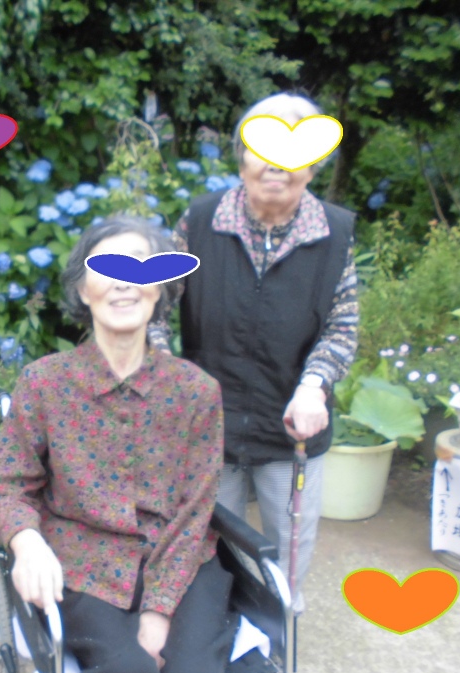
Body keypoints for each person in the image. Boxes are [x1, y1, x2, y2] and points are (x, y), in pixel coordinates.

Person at [0, 216, 237, 673]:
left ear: (161, 288)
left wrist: (159, 611)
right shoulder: (44, 383)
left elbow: (196, 511)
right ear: (83, 289)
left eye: (142, 267)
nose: (126, 282)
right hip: (83, 565)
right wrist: (26, 541)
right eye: (108, 267)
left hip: (181, 561)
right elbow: (8, 486)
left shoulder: (196, 391)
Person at [149, 92, 359, 614]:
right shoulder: (200, 221)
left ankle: (278, 626)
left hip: (291, 425)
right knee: (212, 544)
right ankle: (220, 629)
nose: (276, 166)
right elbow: (155, 306)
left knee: (289, 550)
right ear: (242, 157)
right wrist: (167, 377)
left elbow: (342, 326)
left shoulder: (334, 234)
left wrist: (315, 386)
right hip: (208, 423)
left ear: (312, 166)